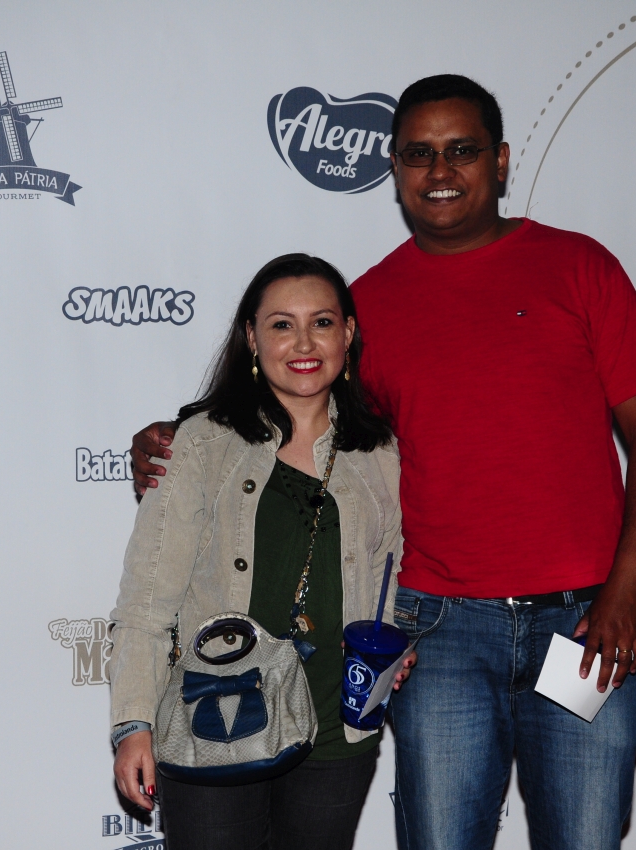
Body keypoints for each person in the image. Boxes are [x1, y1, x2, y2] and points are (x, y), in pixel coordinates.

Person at [133, 76, 636, 850]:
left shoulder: (580, 267)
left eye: (462, 150)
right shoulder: (368, 306)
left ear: (500, 160)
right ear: (394, 168)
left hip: (585, 622)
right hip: (437, 630)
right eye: (418, 154)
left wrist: (627, 588)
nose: (440, 170)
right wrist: (176, 433)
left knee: (586, 839)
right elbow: (293, 403)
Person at [110, 253, 413, 850]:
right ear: (251, 337)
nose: (303, 343)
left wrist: (396, 642)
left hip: (337, 729)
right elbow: (146, 600)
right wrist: (133, 723)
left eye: (321, 322)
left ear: (348, 333)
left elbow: (395, 572)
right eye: (281, 324)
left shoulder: (380, 452)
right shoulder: (200, 445)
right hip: (213, 718)